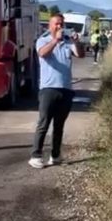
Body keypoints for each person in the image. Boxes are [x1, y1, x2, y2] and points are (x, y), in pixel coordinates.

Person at [29, 13, 82, 169]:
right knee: (43, 123)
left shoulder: (67, 43)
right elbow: (42, 53)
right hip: (48, 89)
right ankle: (36, 155)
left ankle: (56, 155)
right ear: (49, 26)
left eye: (61, 24)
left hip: (65, 89)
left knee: (59, 125)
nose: (59, 26)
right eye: (56, 24)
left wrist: (76, 42)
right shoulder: (42, 41)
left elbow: (80, 54)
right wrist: (55, 40)